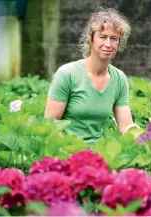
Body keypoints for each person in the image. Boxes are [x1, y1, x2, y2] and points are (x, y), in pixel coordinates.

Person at [44, 7, 138, 144]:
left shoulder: (119, 78)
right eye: (103, 37)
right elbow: (50, 124)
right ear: (91, 39)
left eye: (114, 39)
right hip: (67, 151)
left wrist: (150, 136)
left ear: (119, 43)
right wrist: (71, 152)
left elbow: (125, 126)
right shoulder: (67, 74)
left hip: (100, 154)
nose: (108, 44)